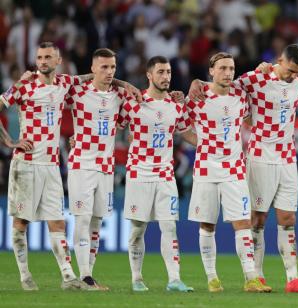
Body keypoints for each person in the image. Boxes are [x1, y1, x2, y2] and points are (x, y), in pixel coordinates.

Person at [0, 41, 83, 291]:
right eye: (39, 57)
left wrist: (125, 84)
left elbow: (92, 77)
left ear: (58, 61)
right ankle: (25, 277)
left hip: (51, 165)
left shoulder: (64, 84)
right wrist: (8, 141)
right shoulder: (24, 85)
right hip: (26, 164)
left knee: (57, 221)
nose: (43, 61)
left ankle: (68, 278)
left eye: (48, 57)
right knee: (21, 223)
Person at [186, 52, 272, 293]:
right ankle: (212, 278)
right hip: (205, 168)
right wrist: (201, 143)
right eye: (222, 68)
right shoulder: (197, 97)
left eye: (231, 68)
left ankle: (251, 278)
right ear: (211, 71)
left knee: (243, 222)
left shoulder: (240, 96)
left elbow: (250, 117)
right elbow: (181, 126)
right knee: (207, 224)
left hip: (234, 168)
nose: (227, 73)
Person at [235, 44, 298, 293]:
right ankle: (256, 277)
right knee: (258, 218)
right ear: (279, 60)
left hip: (288, 158)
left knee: (288, 218)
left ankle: (293, 279)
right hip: (260, 156)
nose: (294, 76)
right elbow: (225, 86)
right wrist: (196, 82)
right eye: (290, 70)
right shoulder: (255, 78)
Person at [119, 56, 197, 292]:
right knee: (138, 228)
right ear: (149, 75)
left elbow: (188, 134)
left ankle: (174, 279)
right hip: (139, 173)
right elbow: (113, 125)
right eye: (161, 72)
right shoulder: (134, 103)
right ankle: (136, 278)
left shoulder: (176, 105)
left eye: (169, 72)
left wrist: (214, 146)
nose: (166, 77)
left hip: (165, 174)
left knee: (169, 227)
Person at [65, 48, 135, 291]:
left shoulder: (119, 96)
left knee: (96, 222)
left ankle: (89, 275)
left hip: (106, 167)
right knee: (82, 219)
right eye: (103, 67)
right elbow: (58, 92)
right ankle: (84, 275)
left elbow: (129, 121)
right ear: (92, 68)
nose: (109, 72)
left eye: (112, 67)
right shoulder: (78, 92)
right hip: (82, 163)